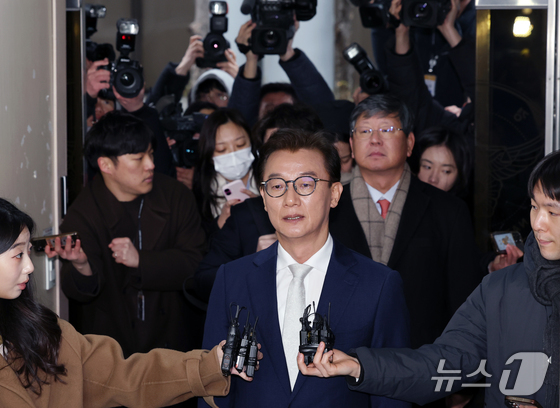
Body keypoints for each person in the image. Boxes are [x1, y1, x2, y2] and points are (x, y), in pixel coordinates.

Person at [298, 149, 560, 408]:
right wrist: (361, 366)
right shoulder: (500, 290)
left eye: (553, 212)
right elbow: (442, 363)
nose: (538, 223)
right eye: (534, 206)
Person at [199, 129, 410, 408]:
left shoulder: (378, 284)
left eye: (306, 184)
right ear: (263, 197)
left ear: (334, 194)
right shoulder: (232, 279)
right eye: (277, 186)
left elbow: (391, 389)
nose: (290, 199)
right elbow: (212, 388)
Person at [0, 197, 256, 408]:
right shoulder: (88, 210)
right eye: (18, 254)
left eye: (29, 252)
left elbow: (126, 377)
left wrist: (211, 364)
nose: (30, 267)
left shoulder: (45, 333)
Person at [334, 93, 521, 350]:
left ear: (409, 143)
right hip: (342, 357)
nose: (375, 139)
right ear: (352, 145)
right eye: (365, 131)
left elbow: (462, 299)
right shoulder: (328, 207)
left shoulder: (448, 211)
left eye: (387, 129)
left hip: (423, 360)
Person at [49, 110, 206, 359]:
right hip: (113, 352)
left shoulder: (176, 196)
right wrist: (81, 265)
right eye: (138, 158)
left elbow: (196, 264)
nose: (150, 165)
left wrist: (141, 261)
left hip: (175, 341)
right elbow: (80, 293)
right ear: (106, 165)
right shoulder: (84, 213)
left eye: (151, 154)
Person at [228, 19, 335, 126]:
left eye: (285, 110)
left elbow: (324, 107)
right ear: (257, 117)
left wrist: (287, 52)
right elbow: (240, 117)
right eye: (269, 110)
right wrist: (251, 59)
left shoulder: (312, 132)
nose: (277, 117)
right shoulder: (249, 132)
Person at [192, 108, 259, 234]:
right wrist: (220, 223)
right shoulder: (202, 191)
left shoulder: (269, 178)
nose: (233, 155)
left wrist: (262, 208)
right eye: (221, 150)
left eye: (240, 144)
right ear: (209, 155)